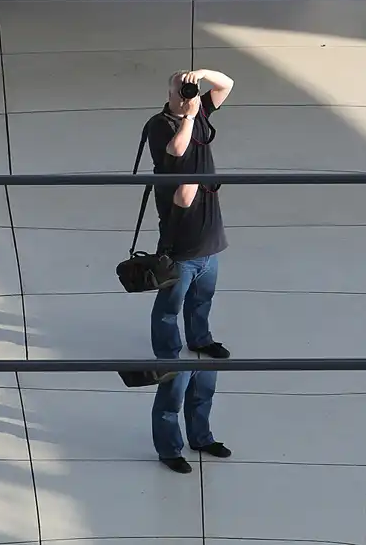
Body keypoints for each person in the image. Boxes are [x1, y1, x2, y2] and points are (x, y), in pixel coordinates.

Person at [147, 68, 234, 364]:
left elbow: (228, 84)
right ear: (169, 94)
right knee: (170, 304)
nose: (187, 96)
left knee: (202, 299)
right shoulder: (160, 124)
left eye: (190, 90)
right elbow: (176, 150)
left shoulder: (200, 109)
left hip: (209, 232)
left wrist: (203, 74)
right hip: (181, 236)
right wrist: (189, 118)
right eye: (181, 90)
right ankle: (168, 355)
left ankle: (200, 340)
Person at [152, 368, 231, 473]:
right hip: (178, 355)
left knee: (202, 395)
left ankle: (200, 439)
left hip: (206, 357)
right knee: (170, 404)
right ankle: (169, 453)